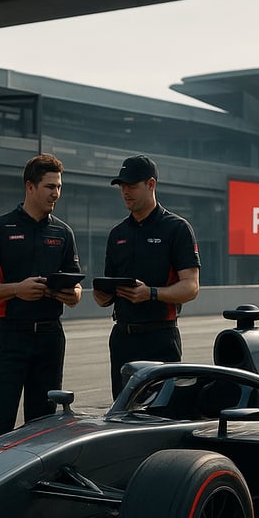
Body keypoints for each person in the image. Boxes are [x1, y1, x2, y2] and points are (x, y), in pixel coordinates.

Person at [0, 153, 82, 440]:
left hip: (50, 338)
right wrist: (16, 289)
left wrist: (72, 295)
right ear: (30, 187)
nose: (56, 193)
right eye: (49, 186)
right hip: (12, 337)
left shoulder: (63, 232)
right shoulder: (0, 228)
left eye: (58, 187)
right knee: (1, 421)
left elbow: (77, 287)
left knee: (44, 423)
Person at [93, 154, 200, 398]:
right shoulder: (117, 233)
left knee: (161, 413)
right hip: (122, 338)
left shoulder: (177, 228)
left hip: (160, 337)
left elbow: (191, 287)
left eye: (131, 186)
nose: (125, 192)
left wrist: (150, 293)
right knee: (122, 414)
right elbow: (106, 296)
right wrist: (101, 295)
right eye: (121, 187)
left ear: (151, 184)